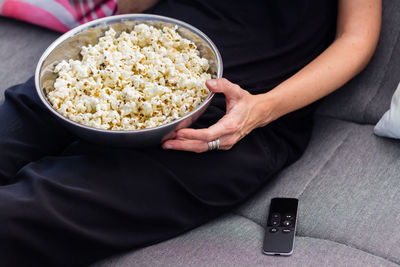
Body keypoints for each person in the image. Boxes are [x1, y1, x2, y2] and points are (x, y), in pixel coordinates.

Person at [0, 0, 381, 266]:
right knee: (16, 122)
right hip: (130, 57)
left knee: (29, 215)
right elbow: (132, 9)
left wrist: (260, 110)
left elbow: (356, 40)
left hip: (246, 108)